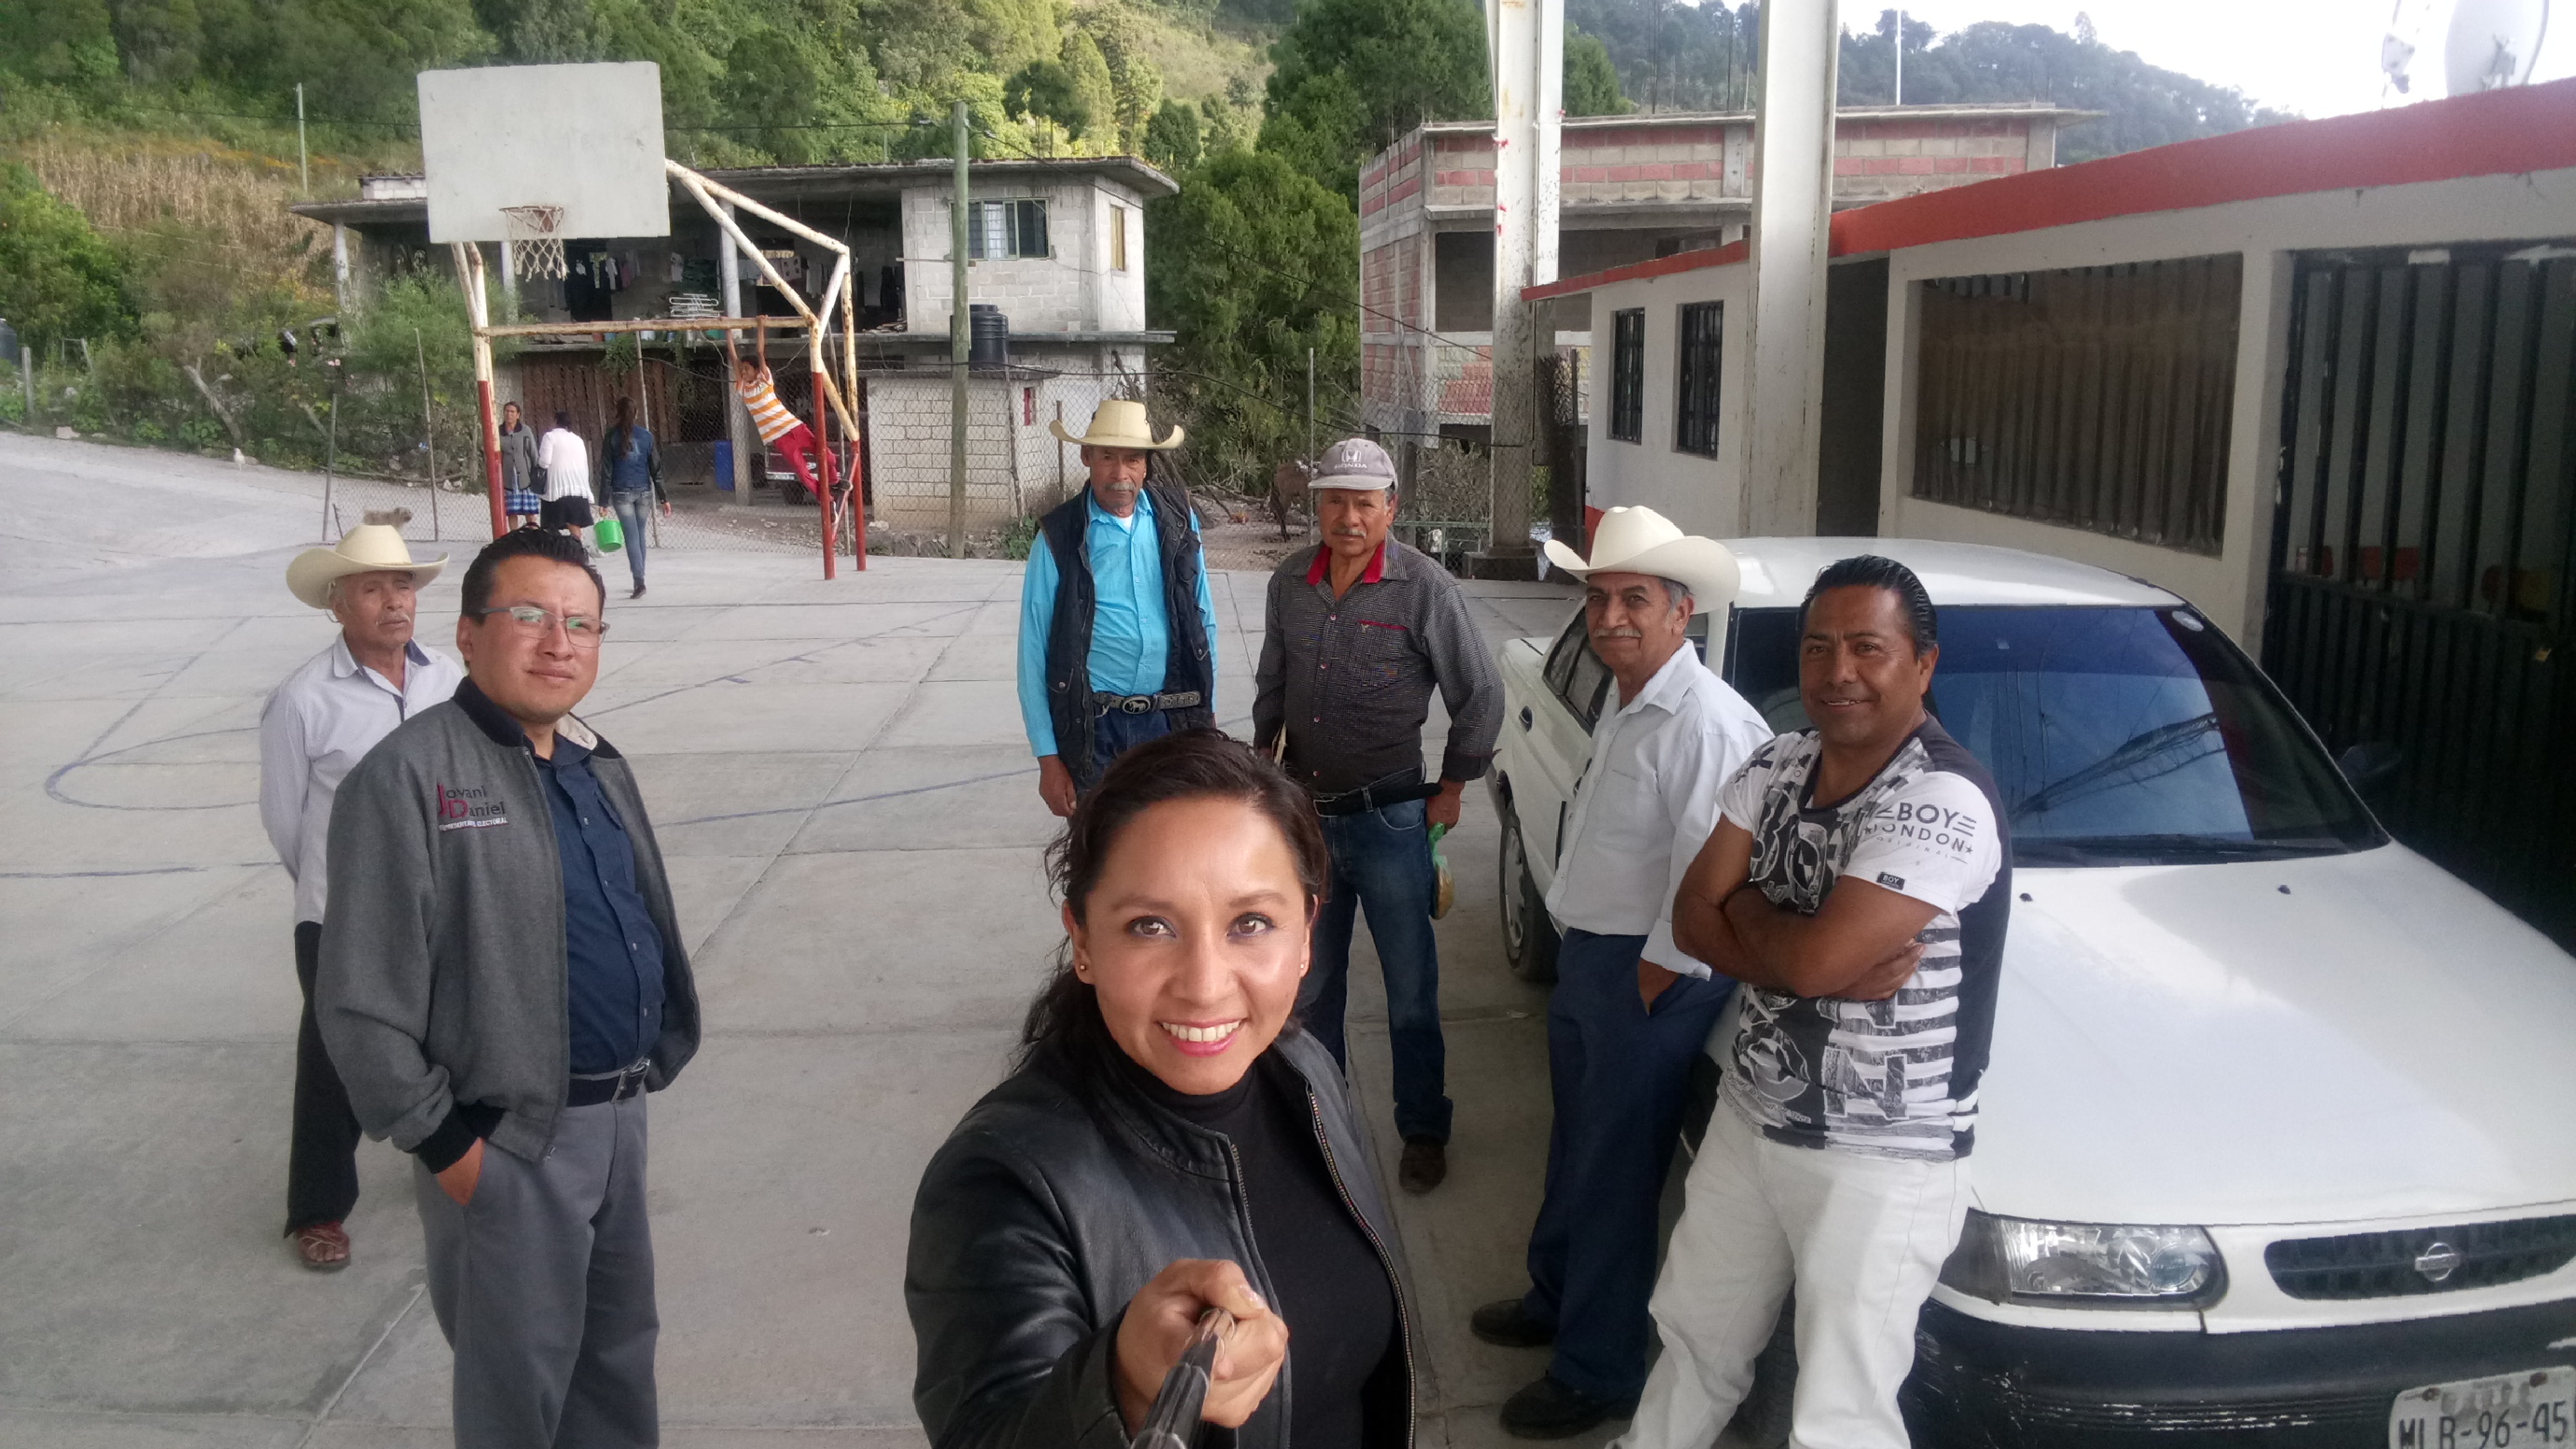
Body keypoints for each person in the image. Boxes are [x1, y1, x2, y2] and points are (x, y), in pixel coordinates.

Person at [907, 730, 1412, 1448]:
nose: (1205, 985)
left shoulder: (1304, 1070)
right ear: (1082, 942)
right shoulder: (1002, 1181)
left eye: (1251, 923)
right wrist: (1119, 1385)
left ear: (1306, 935)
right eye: (1150, 926)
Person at [317, 527, 702, 1449]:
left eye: (581, 624)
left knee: (614, 1359)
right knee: (516, 1388)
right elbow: (359, 997)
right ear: (468, 633)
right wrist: (448, 1145)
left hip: (615, 1121)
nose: (557, 642)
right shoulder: (408, 780)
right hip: (509, 1139)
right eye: (528, 616)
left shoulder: (594, 763)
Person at [1620, 555, 2011, 1449]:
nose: (1838, 672)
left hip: (1882, 1155)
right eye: (1819, 648)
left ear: (1923, 664)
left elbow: (1815, 953)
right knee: (1691, 1339)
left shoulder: (1942, 798)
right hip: (1752, 1116)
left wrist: (1757, 917)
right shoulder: (1779, 760)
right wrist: (1789, 943)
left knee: (1840, 1409)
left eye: (1868, 648)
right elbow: (1694, 914)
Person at [1472, 506, 1774, 1439]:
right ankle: (1555, 1299)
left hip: (1650, 976)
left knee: (1612, 1175)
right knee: (1578, 1150)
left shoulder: (1707, 723)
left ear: (1681, 612)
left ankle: (1597, 1370)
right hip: (1598, 961)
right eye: (1600, 599)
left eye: (1634, 600)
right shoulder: (1630, 697)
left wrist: (1651, 978)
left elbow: (1709, 883)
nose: (1610, 619)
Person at [1250, 436, 1501, 1196]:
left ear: (1392, 508)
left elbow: (1481, 696)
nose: (1348, 517)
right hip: (1306, 823)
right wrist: (1262, 768)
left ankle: (1423, 1128)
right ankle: (1318, 1132)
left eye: (1365, 503)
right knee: (1309, 989)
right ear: (1316, 506)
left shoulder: (1426, 588)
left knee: (1411, 992)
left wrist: (1454, 784)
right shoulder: (1290, 582)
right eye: (1334, 501)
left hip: (1392, 820)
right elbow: (1273, 680)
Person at [260, 512, 460, 1270]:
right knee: (336, 1058)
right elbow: (285, 819)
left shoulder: (448, 679)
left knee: (456, 1037)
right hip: (341, 914)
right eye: (372, 589)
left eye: (402, 586)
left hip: (440, 904)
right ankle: (317, 1209)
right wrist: (329, 889)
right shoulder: (304, 699)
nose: (393, 602)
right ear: (337, 604)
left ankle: (455, 1162)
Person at [1016, 399, 1218, 816]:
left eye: (1132, 459)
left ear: (1146, 464)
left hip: (1172, 722)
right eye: (1107, 457)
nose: (1120, 474)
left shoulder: (1178, 522)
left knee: (1173, 855)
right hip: (1095, 729)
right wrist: (1048, 758)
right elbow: (1033, 653)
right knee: (1102, 860)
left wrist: (1205, 710)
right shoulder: (1058, 536)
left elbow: (1204, 619)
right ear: (1086, 456)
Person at [725, 318, 827, 502]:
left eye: (747, 369)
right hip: (778, 437)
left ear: (757, 371)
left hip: (793, 426)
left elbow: (760, 351)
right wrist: (728, 330)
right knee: (802, 471)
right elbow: (733, 357)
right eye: (742, 370)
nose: (744, 372)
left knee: (824, 453)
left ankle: (835, 479)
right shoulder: (742, 388)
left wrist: (761, 326)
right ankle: (825, 497)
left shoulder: (764, 380)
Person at [602, 396, 665, 599]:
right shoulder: (646, 436)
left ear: (617, 412)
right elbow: (655, 468)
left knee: (631, 537)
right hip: (644, 491)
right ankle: (640, 576)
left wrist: (603, 500)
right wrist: (664, 497)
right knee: (639, 535)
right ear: (636, 413)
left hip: (621, 491)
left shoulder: (611, 436)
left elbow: (606, 470)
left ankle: (639, 581)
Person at [536, 409, 595, 537]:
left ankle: (555, 553)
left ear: (556, 421)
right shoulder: (578, 439)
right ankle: (578, 550)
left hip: (557, 488)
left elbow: (545, 462)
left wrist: (538, 462)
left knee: (550, 525)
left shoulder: (550, 436)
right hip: (579, 488)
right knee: (574, 524)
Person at [497, 401, 543, 529]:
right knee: (512, 511)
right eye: (507, 411)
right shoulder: (499, 431)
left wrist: (537, 472)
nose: (509, 414)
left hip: (525, 477)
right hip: (508, 478)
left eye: (512, 412)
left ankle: (533, 537)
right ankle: (514, 538)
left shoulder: (525, 430)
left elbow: (533, 451)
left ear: (518, 415)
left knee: (530, 511)